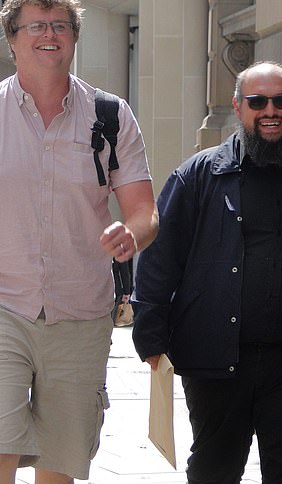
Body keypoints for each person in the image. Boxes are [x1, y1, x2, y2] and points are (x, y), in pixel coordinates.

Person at [132, 60, 282, 483]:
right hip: (214, 358)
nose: (271, 110)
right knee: (215, 468)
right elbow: (160, 260)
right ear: (238, 107)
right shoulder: (197, 176)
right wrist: (150, 334)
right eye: (258, 101)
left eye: (281, 101)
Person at [0, 0, 158, 482]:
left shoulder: (109, 116)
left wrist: (130, 235)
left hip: (81, 311)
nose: (50, 34)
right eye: (36, 26)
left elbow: (144, 211)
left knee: (61, 462)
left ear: (73, 36)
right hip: (4, 305)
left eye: (60, 25)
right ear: (12, 40)